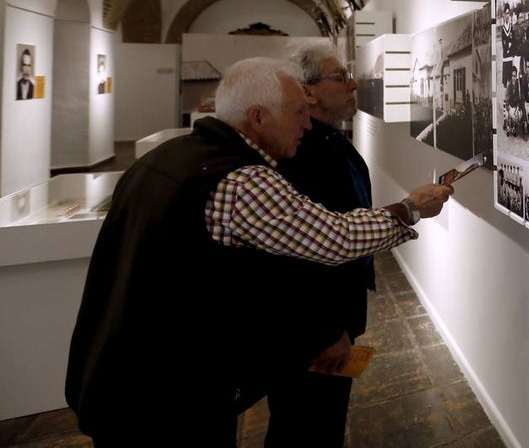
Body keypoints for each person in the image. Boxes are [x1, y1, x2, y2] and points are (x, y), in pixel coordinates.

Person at [65, 57, 453, 445]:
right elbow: (336, 238)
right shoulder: (240, 180)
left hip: (121, 371)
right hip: (168, 392)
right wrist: (411, 208)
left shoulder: (163, 160)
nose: (306, 123)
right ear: (258, 117)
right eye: (299, 112)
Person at [260, 48, 370, 447]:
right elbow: (298, 256)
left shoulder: (326, 143)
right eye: (340, 77)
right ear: (307, 93)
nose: (353, 84)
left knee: (318, 422)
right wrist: (326, 330)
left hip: (328, 319)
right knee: (307, 426)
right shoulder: (298, 154)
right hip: (314, 331)